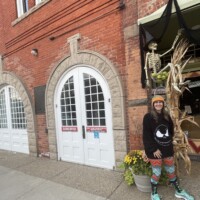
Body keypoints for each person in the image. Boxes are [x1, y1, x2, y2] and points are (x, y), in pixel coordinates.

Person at [142, 95, 194, 200]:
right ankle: (154, 194)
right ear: (153, 104)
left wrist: (168, 141)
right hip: (155, 151)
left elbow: (171, 131)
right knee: (157, 172)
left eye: (160, 102)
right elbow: (146, 135)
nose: (158, 104)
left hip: (167, 149)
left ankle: (179, 192)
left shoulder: (167, 116)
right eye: (156, 102)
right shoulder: (148, 117)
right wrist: (153, 149)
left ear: (163, 104)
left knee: (171, 170)